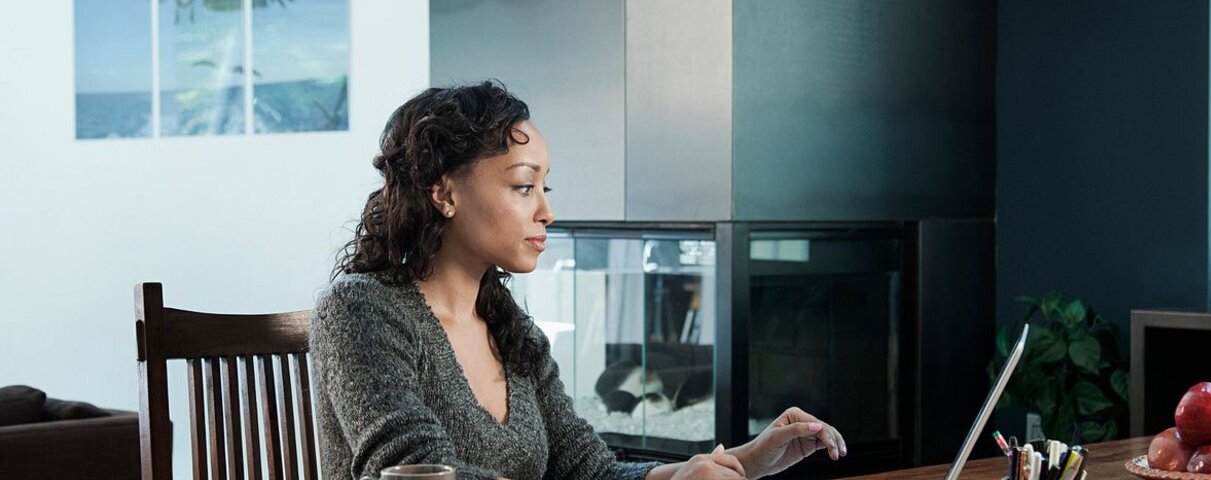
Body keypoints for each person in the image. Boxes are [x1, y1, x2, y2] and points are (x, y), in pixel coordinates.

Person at [311, 81, 848, 480]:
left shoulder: (505, 324)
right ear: (445, 192)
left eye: (547, 186)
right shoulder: (360, 309)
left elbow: (587, 469)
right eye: (524, 186)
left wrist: (726, 465)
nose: (547, 210)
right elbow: (417, 472)